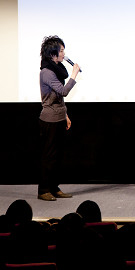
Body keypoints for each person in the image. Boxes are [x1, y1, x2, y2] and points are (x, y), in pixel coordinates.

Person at [37, 35, 80, 201]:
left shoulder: (56, 69)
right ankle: (43, 190)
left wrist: (65, 115)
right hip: (49, 120)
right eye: (61, 51)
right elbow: (63, 92)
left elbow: (59, 98)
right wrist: (74, 75)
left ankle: (54, 188)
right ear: (52, 54)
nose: (63, 54)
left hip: (59, 117)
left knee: (57, 156)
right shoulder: (47, 72)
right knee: (48, 156)